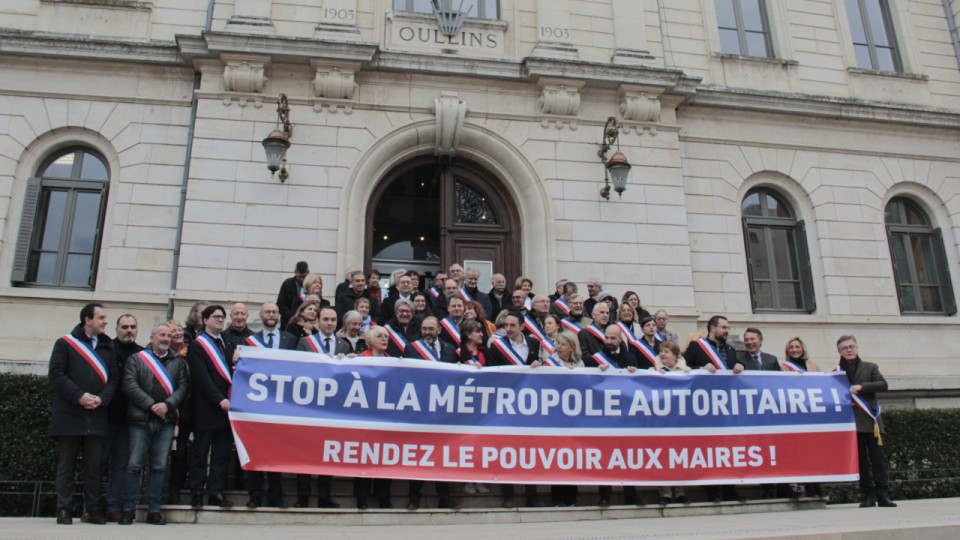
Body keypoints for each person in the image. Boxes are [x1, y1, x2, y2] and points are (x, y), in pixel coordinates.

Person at [49, 303, 118, 525]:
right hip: (70, 413)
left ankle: (93, 510)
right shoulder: (65, 344)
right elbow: (57, 375)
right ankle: (64, 509)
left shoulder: (108, 347)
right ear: (87, 320)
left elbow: (114, 379)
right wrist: (79, 396)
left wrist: (102, 398)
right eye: (101, 317)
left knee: (94, 467)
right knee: (66, 466)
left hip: (97, 414)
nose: (105, 321)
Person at [118, 322, 189, 525]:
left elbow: (183, 388)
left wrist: (167, 405)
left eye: (168, 336)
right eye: (161, 335)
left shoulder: (177, 362)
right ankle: (128, 509)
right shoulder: (137, 359)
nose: (165, 339)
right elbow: (129, 384)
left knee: (159, 466)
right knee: (134, 465)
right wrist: (151, 405)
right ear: (152, 338)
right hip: (140, 419)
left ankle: (154, 510)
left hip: (165, 420)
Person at [402, 316, 459, 509]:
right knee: (417, 456)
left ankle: (445, 498)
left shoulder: (450, 351)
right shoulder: (411, 349)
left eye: (431, 329)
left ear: (439, 330)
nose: (427, 332)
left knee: (442, 457)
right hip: (419, 412)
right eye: (424, 329)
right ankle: (414, 498)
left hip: (443, 413)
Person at [244, 302, 295, 508]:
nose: (271, 315)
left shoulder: (290, 339)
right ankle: (254, 496)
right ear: (261, 315)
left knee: (275, 452)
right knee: (255, 452)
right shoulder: (249, 341)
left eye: (274, 311)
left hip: (280, 405)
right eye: (268, 312)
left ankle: (275, 495)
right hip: (256, 406)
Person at [837, 335, 896, 508]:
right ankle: (868, 495)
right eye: (845, 348)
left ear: (857, 348)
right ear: (839, 351)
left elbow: (883, 384)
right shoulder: (836, 371)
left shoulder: (870, 367)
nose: (849, 350)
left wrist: (862, 387)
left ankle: (883, 495)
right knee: (861, 462)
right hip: (852, 423)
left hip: (871, 422)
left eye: (851, 346)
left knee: (878, 461)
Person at [187, 305, 236, 509]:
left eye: (222, 317)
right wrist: (219, 399)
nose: (220, 320)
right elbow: (202, 377)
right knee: (200, 454)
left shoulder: (227, 344)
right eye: (215, 317)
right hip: (206, 408)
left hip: (226, 409)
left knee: (221, 455)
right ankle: (197, 492)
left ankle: (215, 491)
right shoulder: (197, 345)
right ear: (205, 320)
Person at [293, 306, 341, 507]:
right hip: (309, 407)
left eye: (333, 319)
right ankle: (303, 496)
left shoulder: (344, 346)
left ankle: (324, 497)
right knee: (304, 453)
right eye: (326, 319)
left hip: (333, 409)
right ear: (318, 321)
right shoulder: (305, 343)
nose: (329, 323)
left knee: (327, 454)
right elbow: (298, 369)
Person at [534, 330, 581, 507]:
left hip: (574, 420)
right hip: (555, 418)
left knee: (573, 458)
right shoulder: (550, 363)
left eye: (562, 344)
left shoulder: (580, 364)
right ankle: (557, 497)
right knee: (558, 458)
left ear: (571, 347)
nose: (558, 348)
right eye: (558, 344)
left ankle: (572, 497)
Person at [104, 314, 142, 522]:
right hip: (106, 415)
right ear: (117, 329)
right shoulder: (106, 350)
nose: (129, 330)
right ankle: (89, 506)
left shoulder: (142, 353)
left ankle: (113, 506)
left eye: (132, 327)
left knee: (121, 464)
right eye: (124, 327)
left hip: (130, 418)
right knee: (98, 463)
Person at [781, 336, 823, 498]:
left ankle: (816, 487)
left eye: (797, 347)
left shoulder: (813, 366)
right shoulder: (784, 368)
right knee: (801, 454)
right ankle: (805, 486)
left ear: (802, 349)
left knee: (814, 454)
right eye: (791, 347)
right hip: (795, 418)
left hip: (812, 416)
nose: (795, 350)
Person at [654, 341, 691, 505]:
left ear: (675, 355)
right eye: (661, 352)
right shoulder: (653, 372)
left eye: (667, 351)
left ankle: (681, 491)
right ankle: (665, 493)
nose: (663, 354)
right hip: (662, 424)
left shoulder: (686, 373)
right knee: (662, 458)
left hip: (680, 423)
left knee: (681, 456)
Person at [165, 320, 191, 505]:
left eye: (179, 329)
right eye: (172, 330)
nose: (177, 333)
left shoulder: (190, 352)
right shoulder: (159, 354)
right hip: (164, 410)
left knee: (180, 453)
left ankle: (175, 489)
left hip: (185, 409)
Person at [276, 261, 309, 330]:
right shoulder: (287, 284)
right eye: (299, 277)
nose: (302, 280)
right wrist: (292, 316)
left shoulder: (312, 285)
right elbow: (280, 304)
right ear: (295, 272)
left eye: (304, 277)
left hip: (307, 323)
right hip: (288, 322)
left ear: (308, 272)